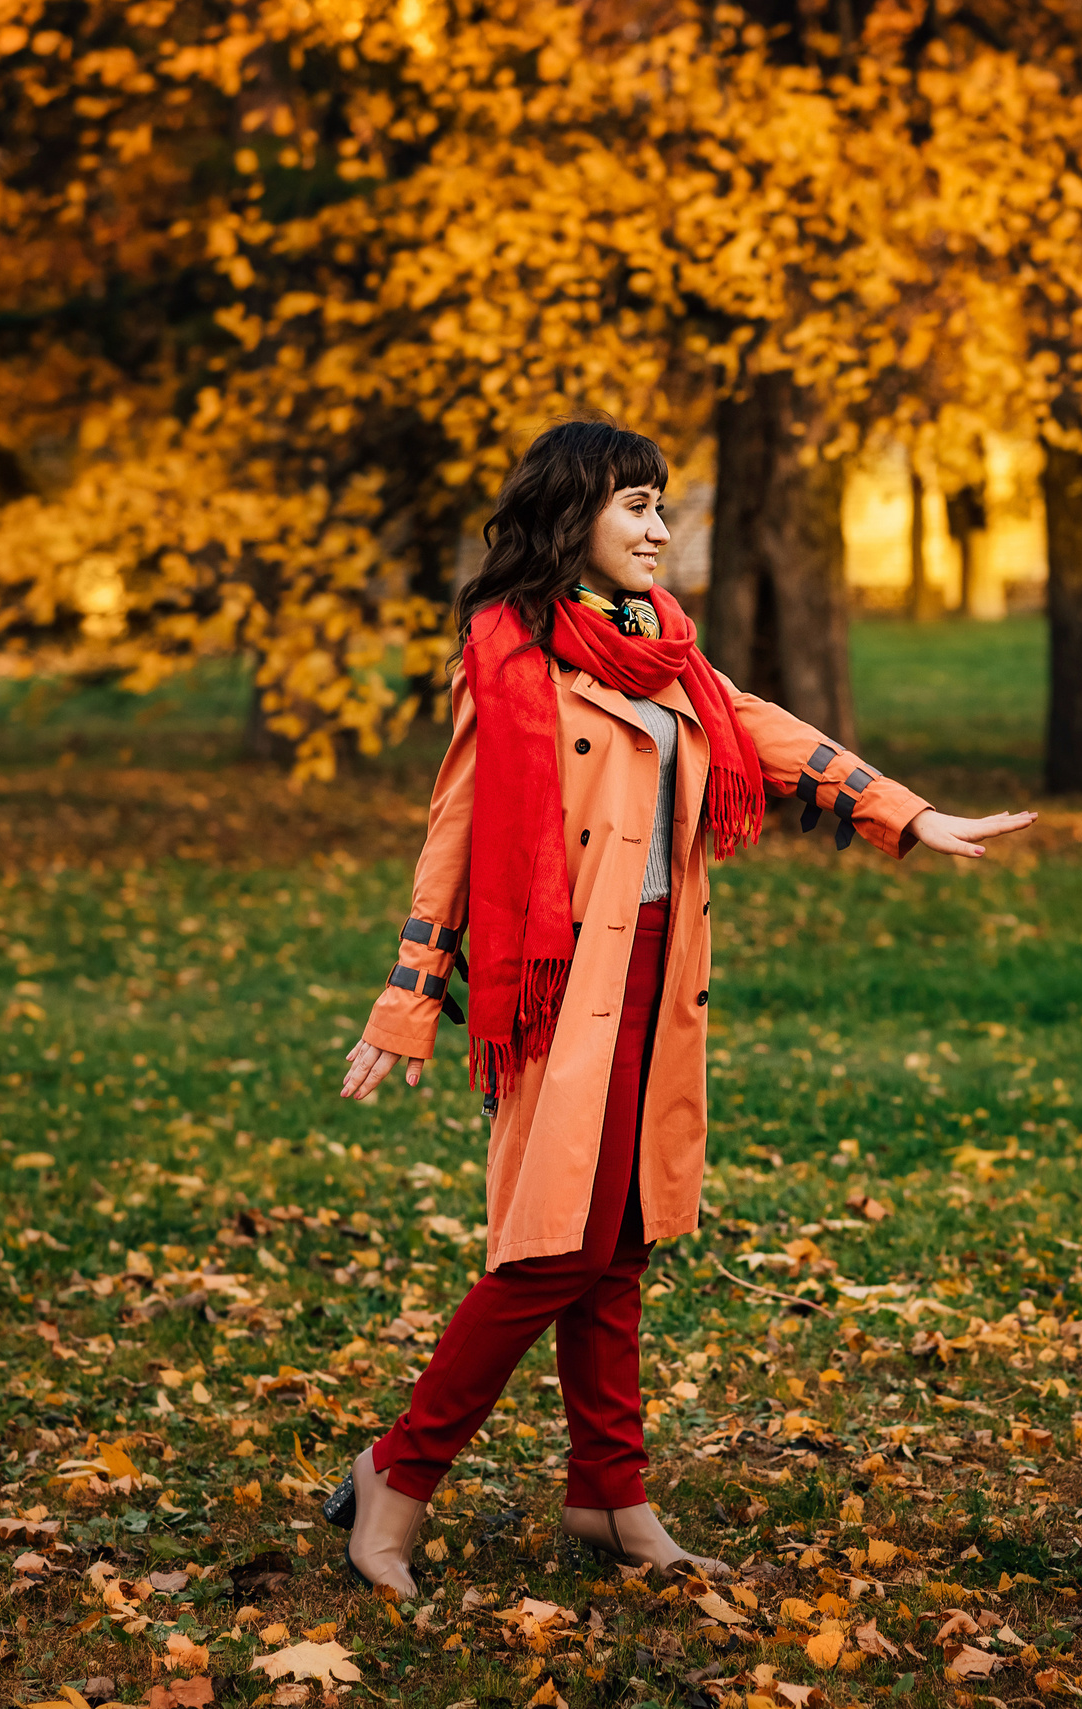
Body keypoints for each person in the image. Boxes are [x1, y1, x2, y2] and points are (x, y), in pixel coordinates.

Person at [323, 420, 1034, 1595]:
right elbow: (453, 835)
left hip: (662, 969)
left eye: (661, 504)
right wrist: (409, 998)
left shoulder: (664, 648)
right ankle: (396, 1472)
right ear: (573, 515)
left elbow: (762, 730)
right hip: (562, 982)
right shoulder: (509, 658)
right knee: (551, 1248)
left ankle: (610, 1495)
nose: (659, 529)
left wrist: (906, 813)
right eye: (636, 505)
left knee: (619, 1243)